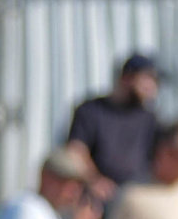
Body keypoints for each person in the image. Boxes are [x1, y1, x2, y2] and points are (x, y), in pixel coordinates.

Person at [65, 54, 161, 188]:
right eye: (148, 79)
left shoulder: (150, 118)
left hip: (137, 193)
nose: (153, 87)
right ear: (127, 78)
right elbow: (76, 151)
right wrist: (95, 180)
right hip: (97, 194)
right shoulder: (91, 110)